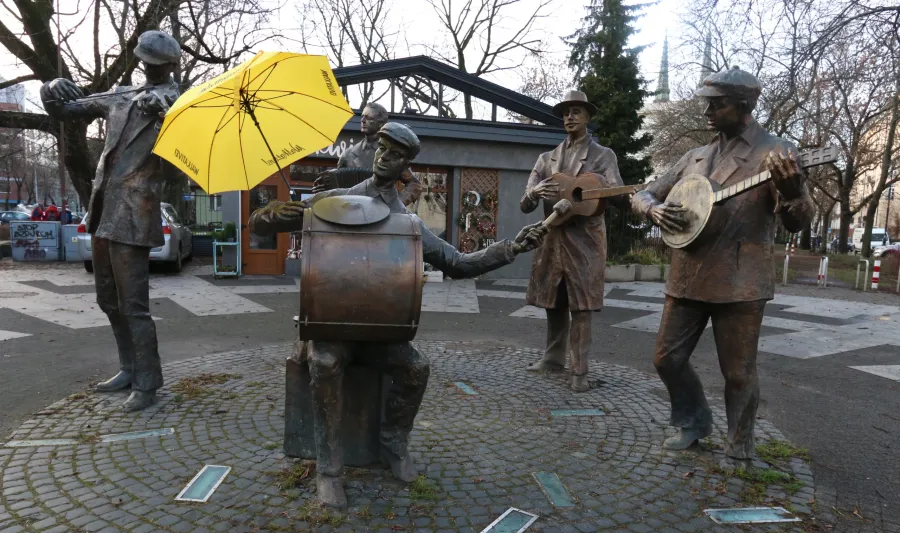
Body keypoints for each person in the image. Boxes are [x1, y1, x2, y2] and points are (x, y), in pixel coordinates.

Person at [250, 122, 548, 506]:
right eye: (381, 149)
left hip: (378, 330)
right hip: (333, 325)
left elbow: (457, 262)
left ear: (407, 164)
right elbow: (259, 223)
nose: (383, 157)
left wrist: (511, 249)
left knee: (415, 368)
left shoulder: (408, 223)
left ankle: (393, 444)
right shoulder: (336, 201)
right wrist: (280, 212)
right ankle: (329, 468)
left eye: (393, 153)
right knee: (324, 361)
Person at [629, 67, 814, 470]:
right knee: (666, 359)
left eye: (718, 103)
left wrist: (793, 191)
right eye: (706, 102)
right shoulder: (695, 155)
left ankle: (740, 446)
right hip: (688, 272)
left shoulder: (777, 152)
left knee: (738, 373)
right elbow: (643, 193)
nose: (707, 109)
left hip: (740, 278)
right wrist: (653, 208)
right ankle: (694, 422)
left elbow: (799, 221)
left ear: (744, 105)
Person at [40, 30, 182, 412]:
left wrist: (167, 114)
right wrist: (52, 87)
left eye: (154, 64)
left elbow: (182, 163)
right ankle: (128, 368)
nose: (146, 68)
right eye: (143, 61)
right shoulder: (122, 96)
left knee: (134, 304)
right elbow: (65, 109)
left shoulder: (182, 104)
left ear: (171, 65)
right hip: (103, 208)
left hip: (136, 214)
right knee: (108, 298)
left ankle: (148, 383)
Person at [520, 90, 626, 392]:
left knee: (581, 307)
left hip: (585, 241)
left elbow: (617, 194)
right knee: (553, 301)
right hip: (552, 239)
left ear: (587, 116)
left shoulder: (603, 156)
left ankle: (579, 372)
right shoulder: (546, 159)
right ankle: (553, 358)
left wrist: (601, 188)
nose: (569, 116)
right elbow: (525, 204)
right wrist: (533, 192)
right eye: (566, 112)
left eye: (576, 111)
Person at [312, 102, 421, 206]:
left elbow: (414, 185)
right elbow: (337, 182)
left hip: (379, 212)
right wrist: (325, 188)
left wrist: (396, 204)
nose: (363, 121)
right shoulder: (348, 155)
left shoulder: (391, 156)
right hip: (349, 211)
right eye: (362, 116)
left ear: (380, 124)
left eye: (369, 118)